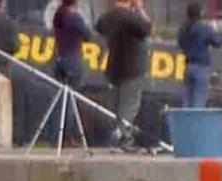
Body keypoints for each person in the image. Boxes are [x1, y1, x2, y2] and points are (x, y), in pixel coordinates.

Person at [93, 0, 151, 147]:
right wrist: (140, 8)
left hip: (113, 67)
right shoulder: (131, 18)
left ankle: (115, 136)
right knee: (129, 105)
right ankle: (124, 138)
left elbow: (99, 27)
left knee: (116, 106)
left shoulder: (108, 17)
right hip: (132, 68)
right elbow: (147, 28)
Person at [47, 0, 92, 144]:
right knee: (71, 101)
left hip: (59, 58)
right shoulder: (74, 17)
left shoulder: (58, 16)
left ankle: (55, 137)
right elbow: (88, 35)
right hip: (73, 60)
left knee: (59, 100)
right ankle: (67, 136)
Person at [176, 3, 222, 110]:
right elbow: (219, 42)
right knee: (199, 102)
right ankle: (196, 124)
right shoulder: (204, 28)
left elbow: (180, 44)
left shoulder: (183, 29)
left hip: (187, 67)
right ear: (200, 13)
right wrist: (215, 29)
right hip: (201, 67)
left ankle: (186, 124)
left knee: (186, 101)